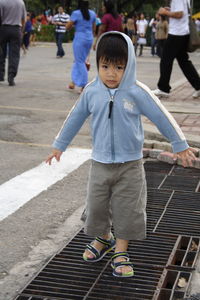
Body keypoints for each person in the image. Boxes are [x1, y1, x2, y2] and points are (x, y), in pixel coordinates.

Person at [46, 31, 197, 278]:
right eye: (105, 66)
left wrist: (179, 143)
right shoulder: (92, 91)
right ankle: (104, 238)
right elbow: (74, 117)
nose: (111, 73)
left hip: (131, 165)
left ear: (129, 66)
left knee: (128, 209)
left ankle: (121, 251)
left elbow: (161, 116)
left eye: (119, 67)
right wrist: (59, 144)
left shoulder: (137, 91)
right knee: (96, 207)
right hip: (100, 163)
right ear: (97, 64)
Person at [152, 0, 200, 98]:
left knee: (166, 60)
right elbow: (181, 12)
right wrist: (170, 10)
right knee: (184, 62)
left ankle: (163, 88)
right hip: (182, 32)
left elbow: (180, 14)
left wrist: (165, 12)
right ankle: (198, 86)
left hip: (177, 33)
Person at [66, 0, 96, 93]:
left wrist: (71, 25)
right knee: (79, 60)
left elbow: (68, 26)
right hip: (89, 38)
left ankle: (84, 84)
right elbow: (94, 27)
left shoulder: (76, 13)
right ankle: (73, 82)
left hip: (80, 38)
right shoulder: (92, 13)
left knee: (79, 61)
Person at [0, 0, 26, 86]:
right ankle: (11, 77)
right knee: (14, 55)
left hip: (3, 29)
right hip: (16, 29)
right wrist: (21, 32)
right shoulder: (20, 2)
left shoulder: (2, 2)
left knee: (1, 53)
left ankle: (0, 75)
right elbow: (23, 19)